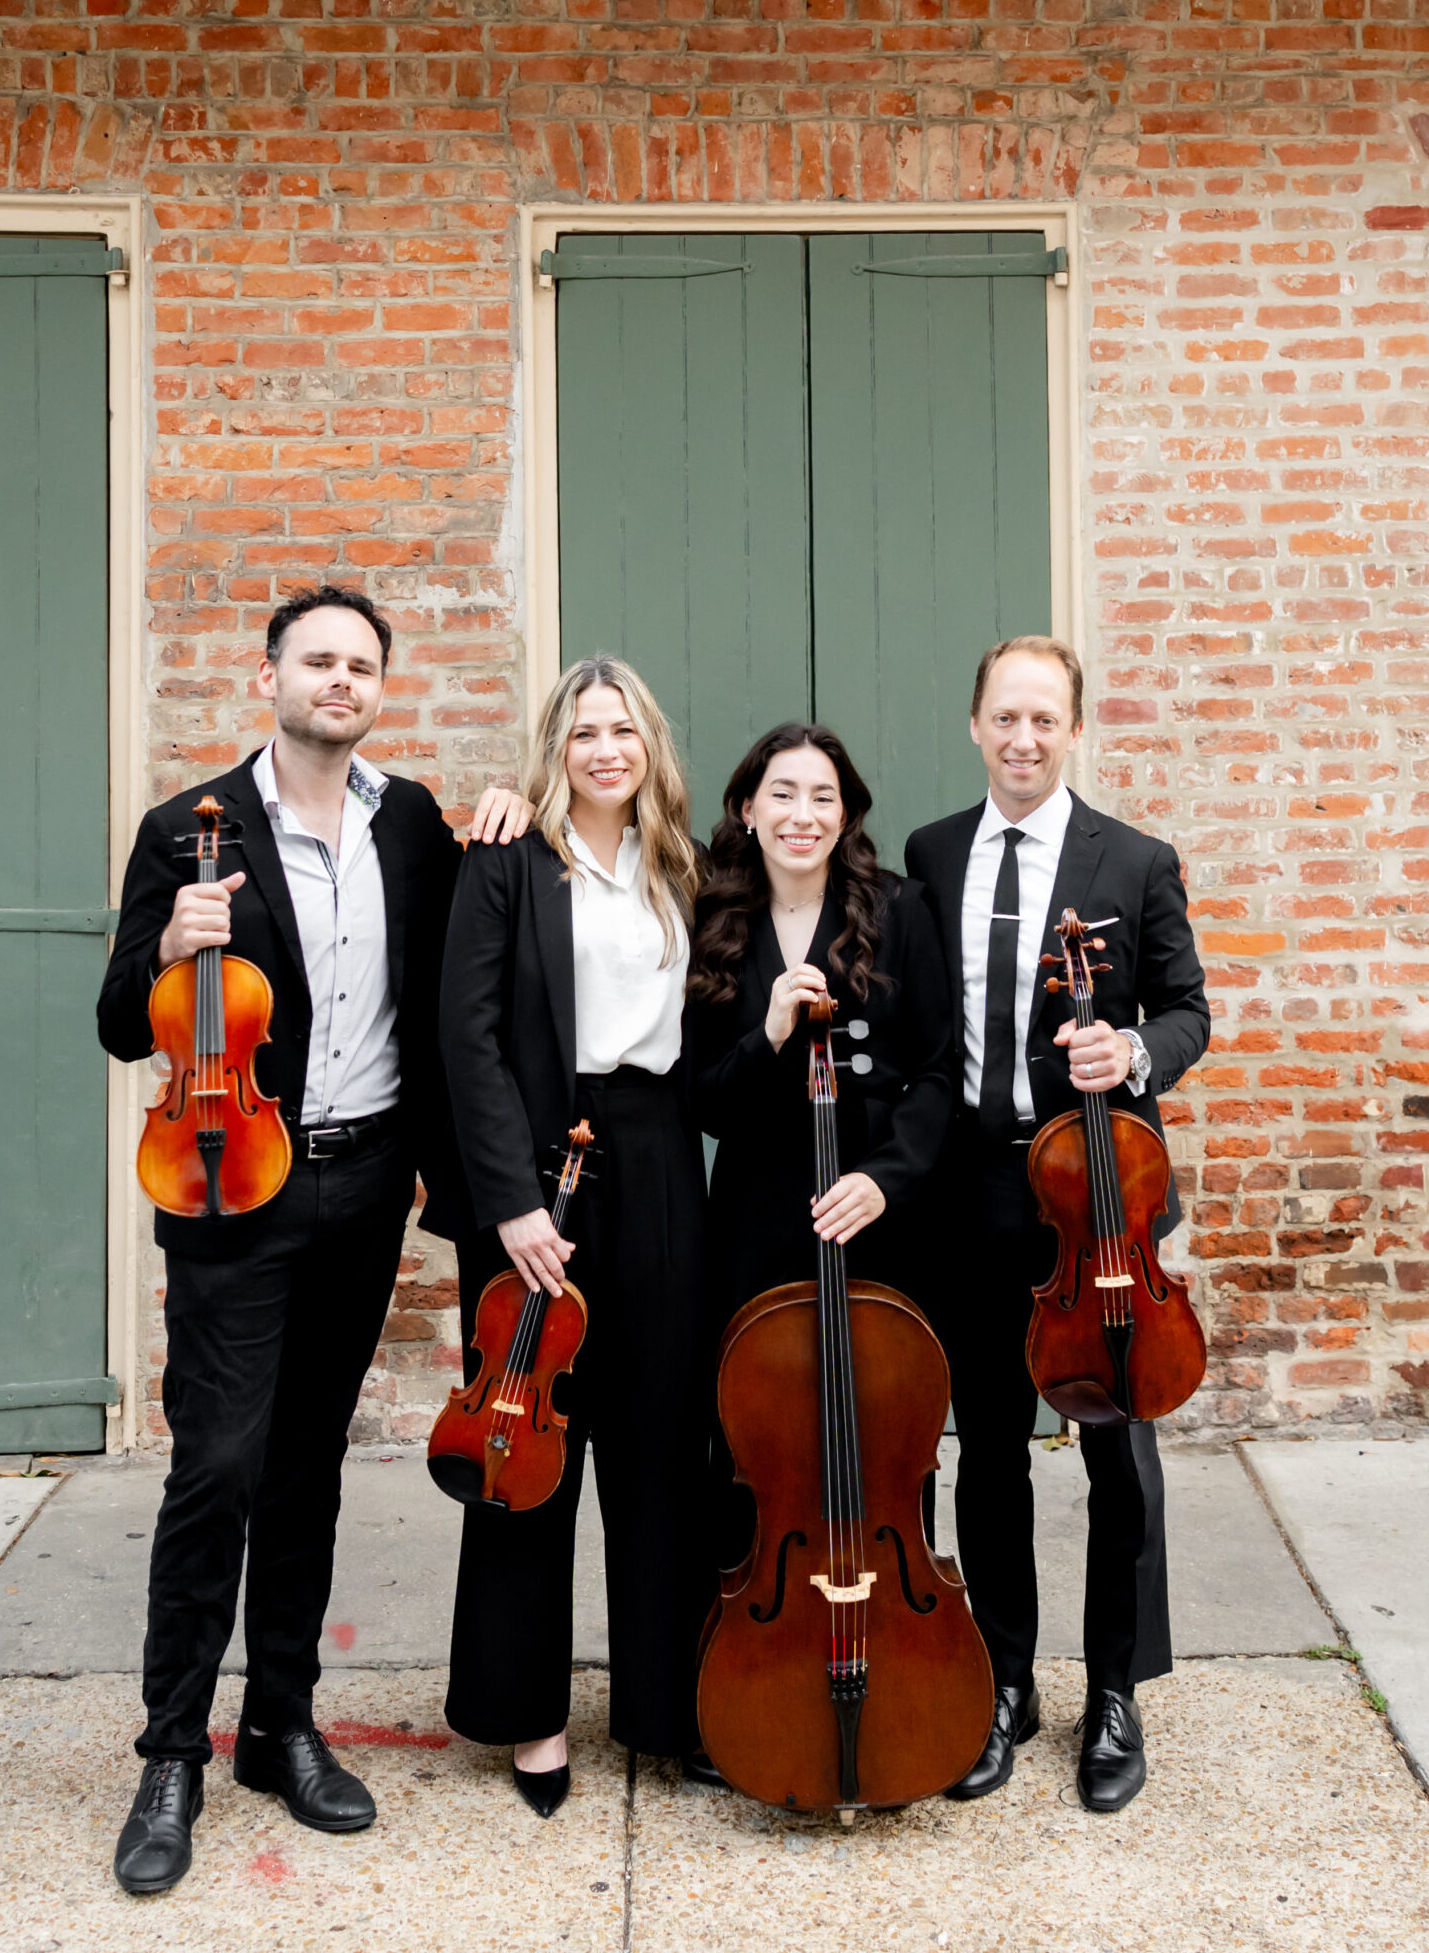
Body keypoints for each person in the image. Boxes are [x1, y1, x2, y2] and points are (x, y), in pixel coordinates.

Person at [96, 582, 527, 1894]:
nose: (340, 680)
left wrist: (515, 817)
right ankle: (172, 1752)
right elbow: (119, 1019)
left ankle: (281, 1722)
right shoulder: (188, 830)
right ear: (269, 677)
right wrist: (166, 943)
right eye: (318, 660)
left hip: (366, 1179)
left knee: (307, 1466)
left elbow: (472, 954)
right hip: (232, 1175)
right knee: (216, 1466)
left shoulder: (413, 826)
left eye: (360, 665)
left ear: (379, 688)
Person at [906, 637, 1209, 1817]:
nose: (1022, 738)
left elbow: (1185, 1011)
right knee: (986, 1450)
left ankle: (1115, 1691)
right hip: (970, 1194)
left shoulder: (1131, 860)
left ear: (1073, 728)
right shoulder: (932, 854)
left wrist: (1128, 1049)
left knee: (1114, 1452)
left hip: (1094, 1206)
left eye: (1043, 718)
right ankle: (1004, 1682)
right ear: (973, 725)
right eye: (1004, 717)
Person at [438, 656, 712, 1815]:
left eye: (622, 730)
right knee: (527, 1438)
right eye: (583, 732)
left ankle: (665, 1705)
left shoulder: (682, 862)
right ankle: (529, 1714)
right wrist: (509, 1202)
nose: (605, 750)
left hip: (656, 1158)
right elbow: (466, 1035)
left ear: (649, 744)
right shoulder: (507, 856)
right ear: (554, 747)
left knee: (661, 1440)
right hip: (538, 1163)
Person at [684, 721, 954, 1514]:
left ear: (845, 815)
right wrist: (767, 1034)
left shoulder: (901, 909)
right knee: (755, 1429)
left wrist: (886, 1180)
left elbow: (938, 1071)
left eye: (823, 798)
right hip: (759, 1210)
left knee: (886, 1426)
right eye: (783, 794)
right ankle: (755, 1589)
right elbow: (705, 1101)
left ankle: (889, 1584)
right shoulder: (710, 920)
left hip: (877, 1210)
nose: (802, 815)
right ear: (747, 810)